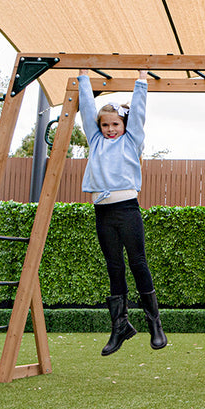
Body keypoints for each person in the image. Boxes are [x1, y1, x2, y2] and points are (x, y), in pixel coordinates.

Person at [78, 68, 167, 356]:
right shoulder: (95, 141)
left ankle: (155, 323)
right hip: (102, 211)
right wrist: (83, 79)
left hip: (127, 209)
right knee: (114, 267)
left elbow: (138, 113)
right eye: (105, 125)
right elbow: (85, 109)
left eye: (115, 124)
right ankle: (120, 326)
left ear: (124, 125)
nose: (110, 129)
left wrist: (141, 81)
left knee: (138, 263)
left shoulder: (131, 141)